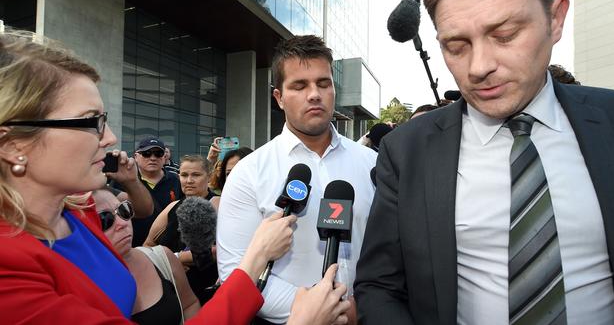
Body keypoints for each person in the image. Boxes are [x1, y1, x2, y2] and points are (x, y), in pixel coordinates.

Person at [355, 0, 614, 325]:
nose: (479, 66)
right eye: (457, 45)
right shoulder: (406, 152)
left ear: (555, 19)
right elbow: (379, 287)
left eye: (505, 34)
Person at [0, 28, 352, 325]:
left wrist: (257, 256)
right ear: (13, 143)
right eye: (89, 122)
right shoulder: (9, 268)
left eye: (103, 121)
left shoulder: (81, 216)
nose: (109, 139)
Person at [218, 35, 377, 323]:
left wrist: (362, 307)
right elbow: (234, 270)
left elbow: (391, 250)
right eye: (300, 86)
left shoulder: (373, 164)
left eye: (323, 83)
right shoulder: (249, 172)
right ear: (278, 97)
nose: (314, 94)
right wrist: (321, 311)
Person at [92, 189, 200, 324]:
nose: (122, 223)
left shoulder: (162, 257)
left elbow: (189, 305)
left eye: (123, 210)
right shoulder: (77, 285)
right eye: (105, 219)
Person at [144, 154, 219, 304]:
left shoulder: (218, 204)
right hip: (169, 289)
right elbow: (147, 245)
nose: (189, 180)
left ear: (209, 177)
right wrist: (167, 264)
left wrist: (175, 258)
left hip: (204, 290)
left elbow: (220, 250)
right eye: (184, 175)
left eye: (196, 175)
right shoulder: (172, 207)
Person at [120, 136, 182, 246]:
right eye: (146, 153)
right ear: (136, 157)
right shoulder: (123, 181)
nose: (153, 158)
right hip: (131, 246)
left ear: (164, 157)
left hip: (167, 249)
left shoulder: (176, 181)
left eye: (158, 153)